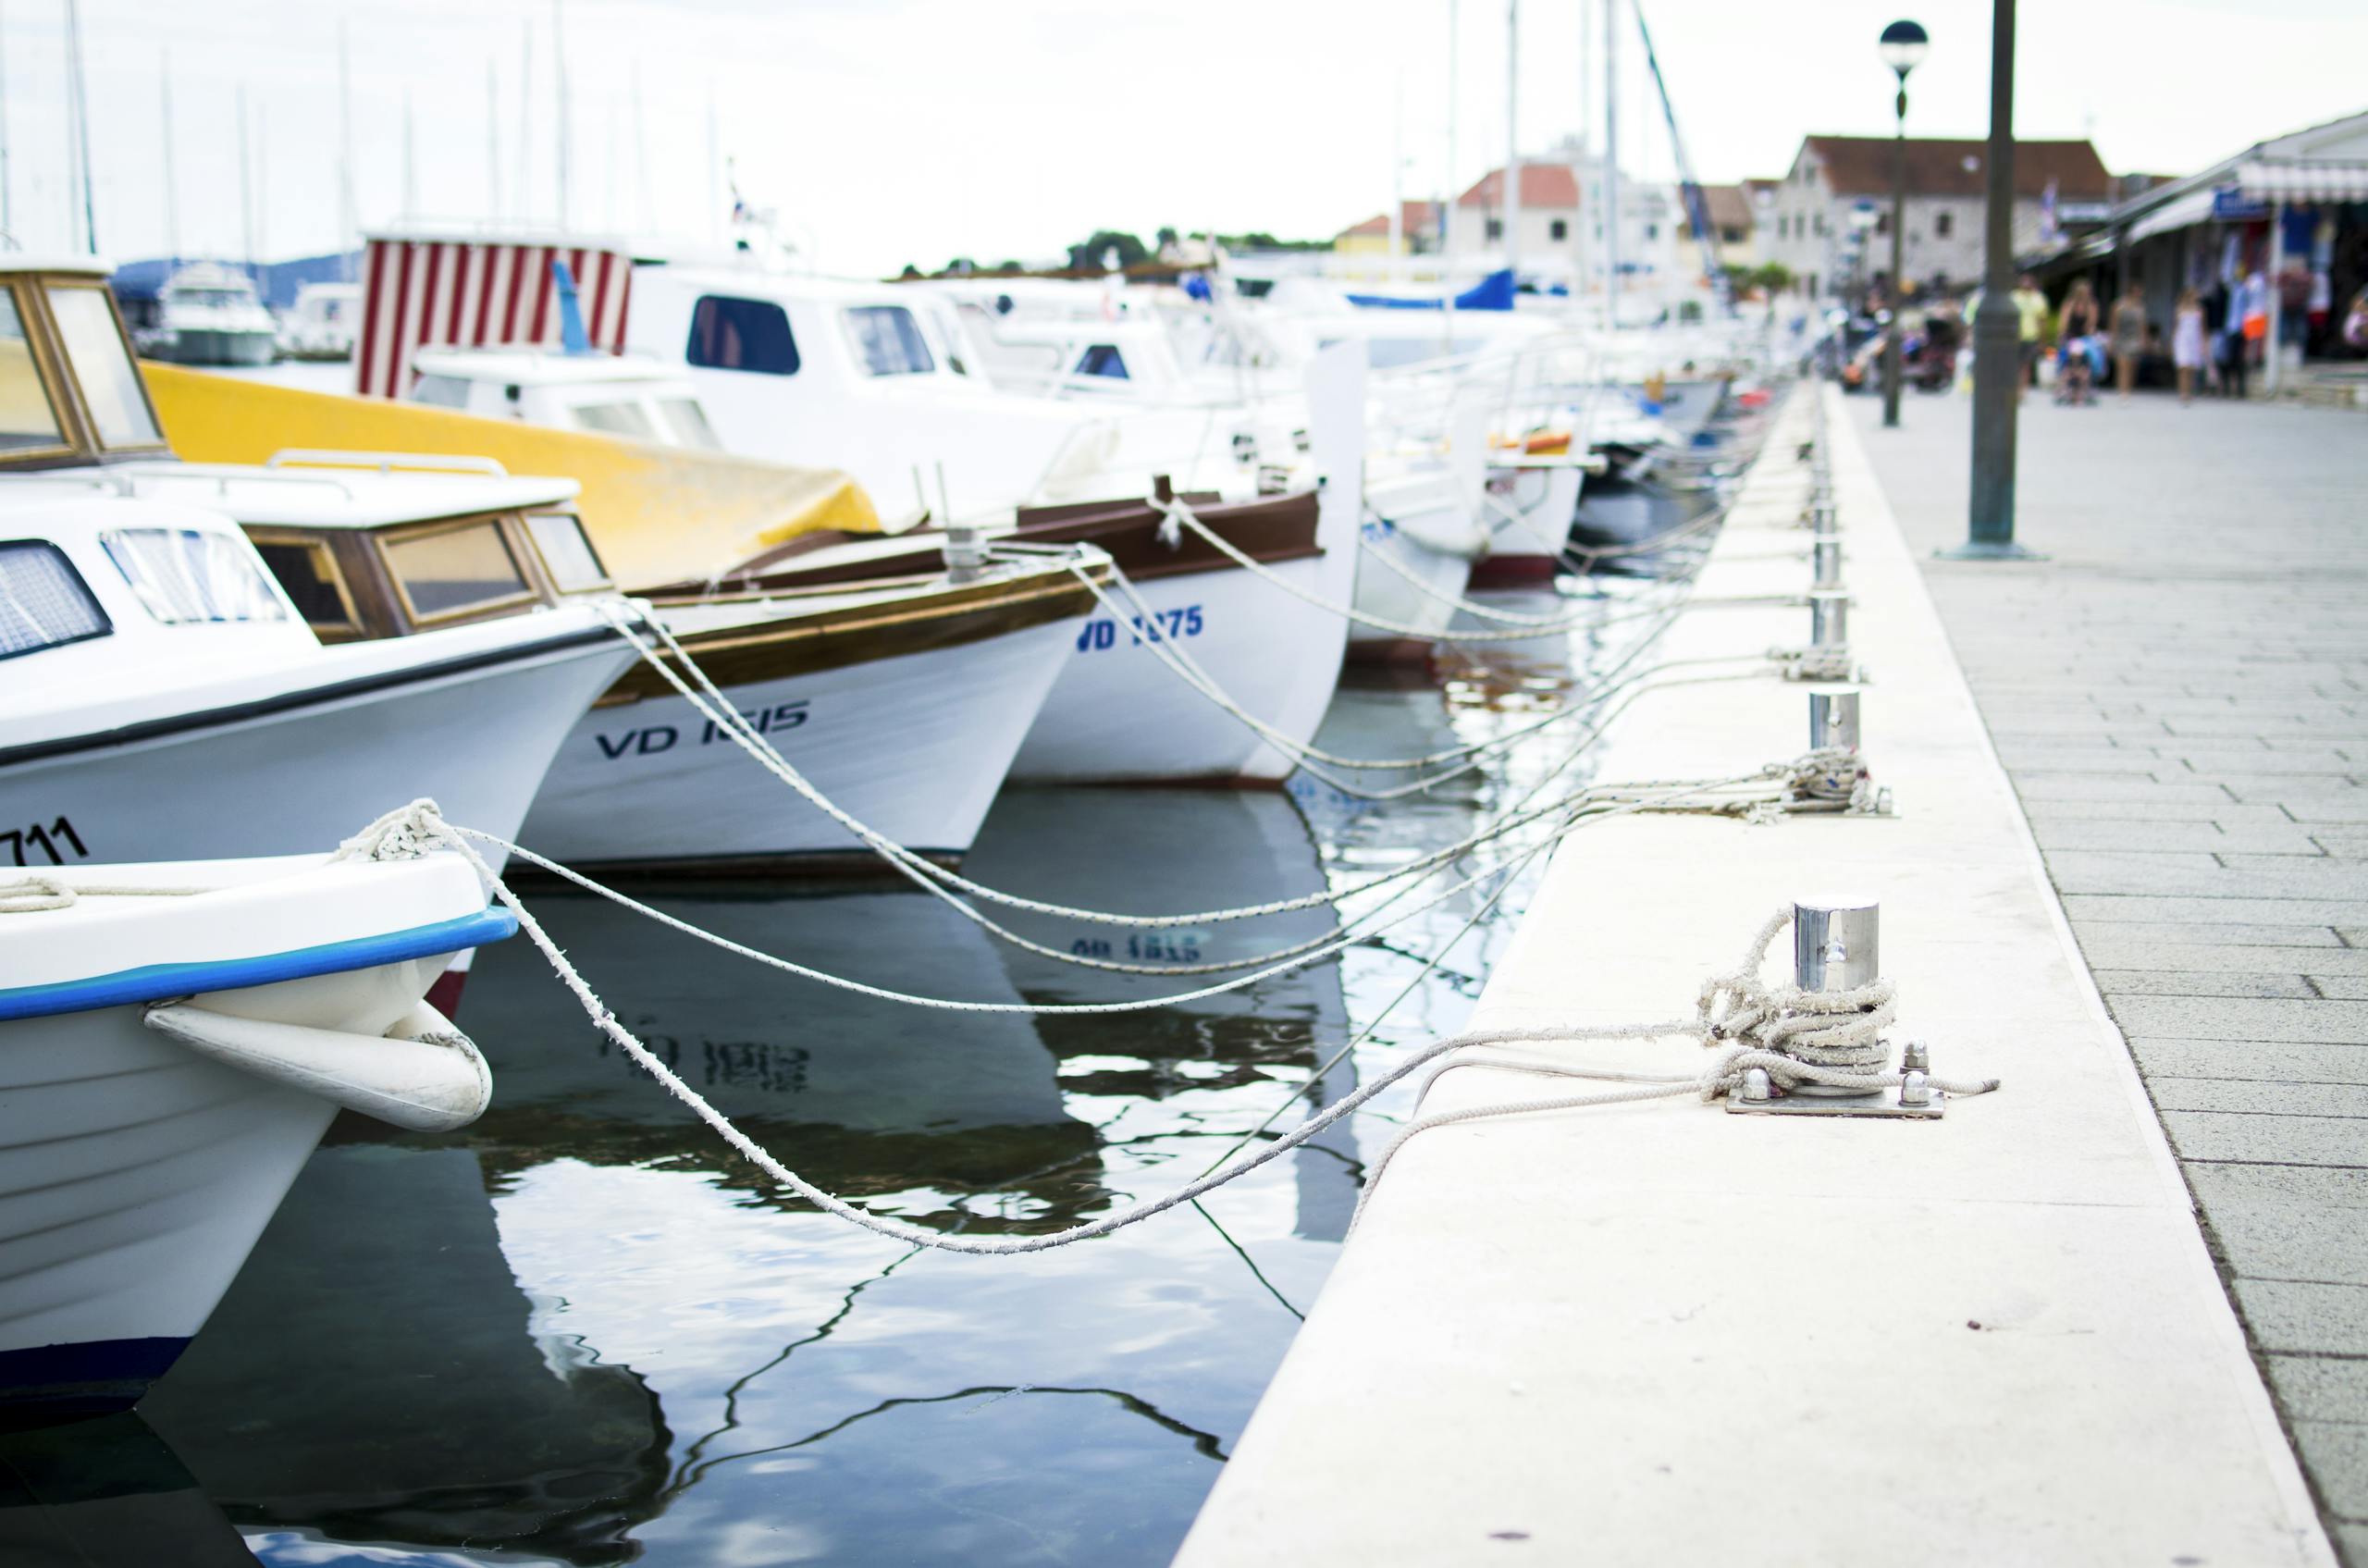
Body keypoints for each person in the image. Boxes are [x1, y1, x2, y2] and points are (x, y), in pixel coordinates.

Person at [2057, 278, 2101, 405]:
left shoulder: (2092, 306)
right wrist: (2063, 336)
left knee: (2091, 358)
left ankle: (2086, 387)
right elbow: (2063, 325)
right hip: (2071, 338)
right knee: (2068, 357)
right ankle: (2064, 387)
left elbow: (2091, 327)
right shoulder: (2069, 304)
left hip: (2085, 339)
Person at [2011, 273, 2048, 397]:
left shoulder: (2038, 299)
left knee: (2026, 365)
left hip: (2031, 336)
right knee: (2014, 364)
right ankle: (2014, 389)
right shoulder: (2014, 297)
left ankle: (2022, 390)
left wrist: (2042, 340)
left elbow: (2042, 320)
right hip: (2015, 336)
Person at [2109, 282, 2148, 400]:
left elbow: (2142, 325)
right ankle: (2122, 391)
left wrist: (2143, 340)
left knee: (2131, 365)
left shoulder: (2140, 307)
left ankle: (2127, 389)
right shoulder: (2119, 305)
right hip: (2121, 338)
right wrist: (2112, 340)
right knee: (2122, 365)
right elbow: (2113, 324)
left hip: (2134, 339)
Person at [2172, 287, 2206, 405]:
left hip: (2194, 339)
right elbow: (2176, 326)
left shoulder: (2199, 310)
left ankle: (2189, 391)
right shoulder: (2180, 309)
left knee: (2191, 367)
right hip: (2183, 339)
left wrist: (2203, 343)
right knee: (2183, 366)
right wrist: (2174, 341)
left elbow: (2202, 328)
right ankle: (2183, 392)